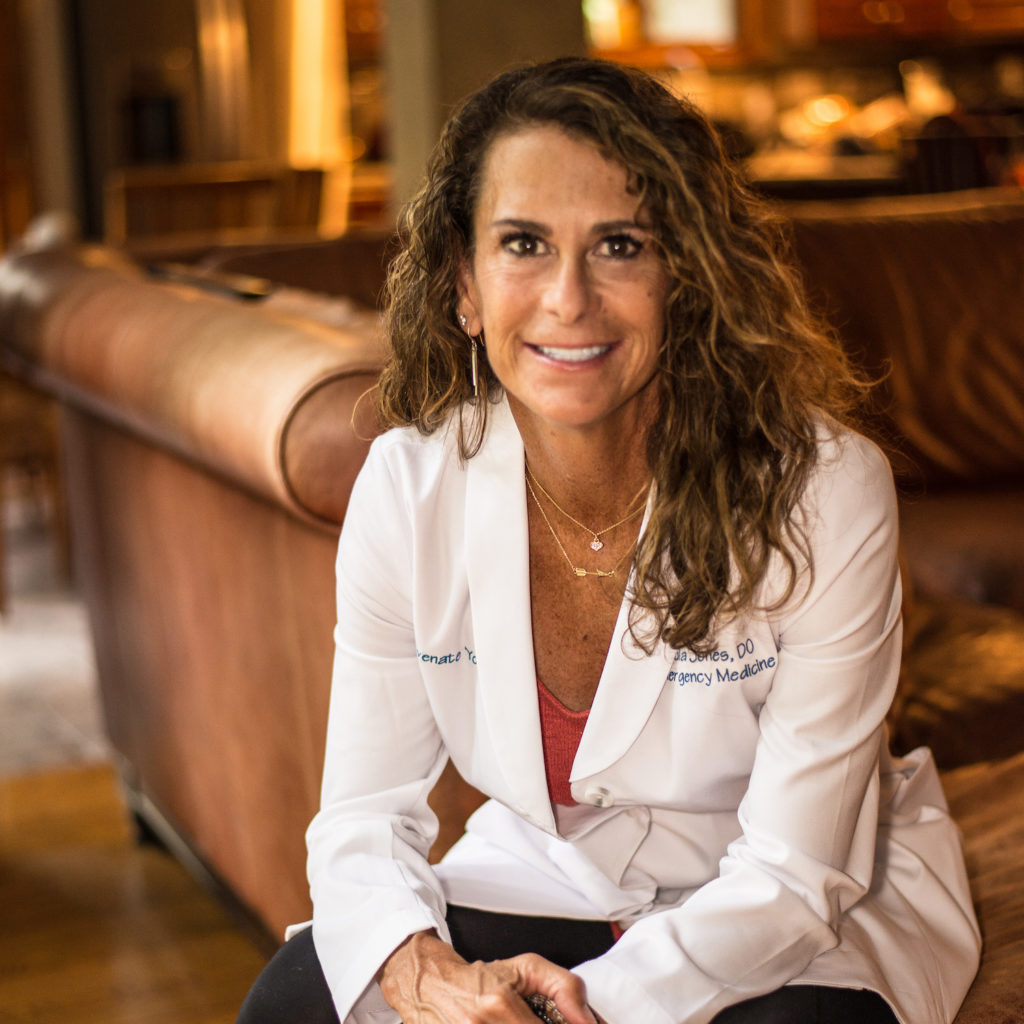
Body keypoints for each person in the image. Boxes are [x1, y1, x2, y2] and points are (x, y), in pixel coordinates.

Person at [237, 57, 980, 1024]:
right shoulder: (407, 491)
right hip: (552, 877)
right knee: (293, 1005)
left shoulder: (826, 491)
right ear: (464, 285)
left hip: (792, 907)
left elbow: (795, 872)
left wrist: (580, 1006)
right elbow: (365, 816)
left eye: (620, 245)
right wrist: (420, 972)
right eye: (524, 245)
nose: (569, 298)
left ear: (688, 279)